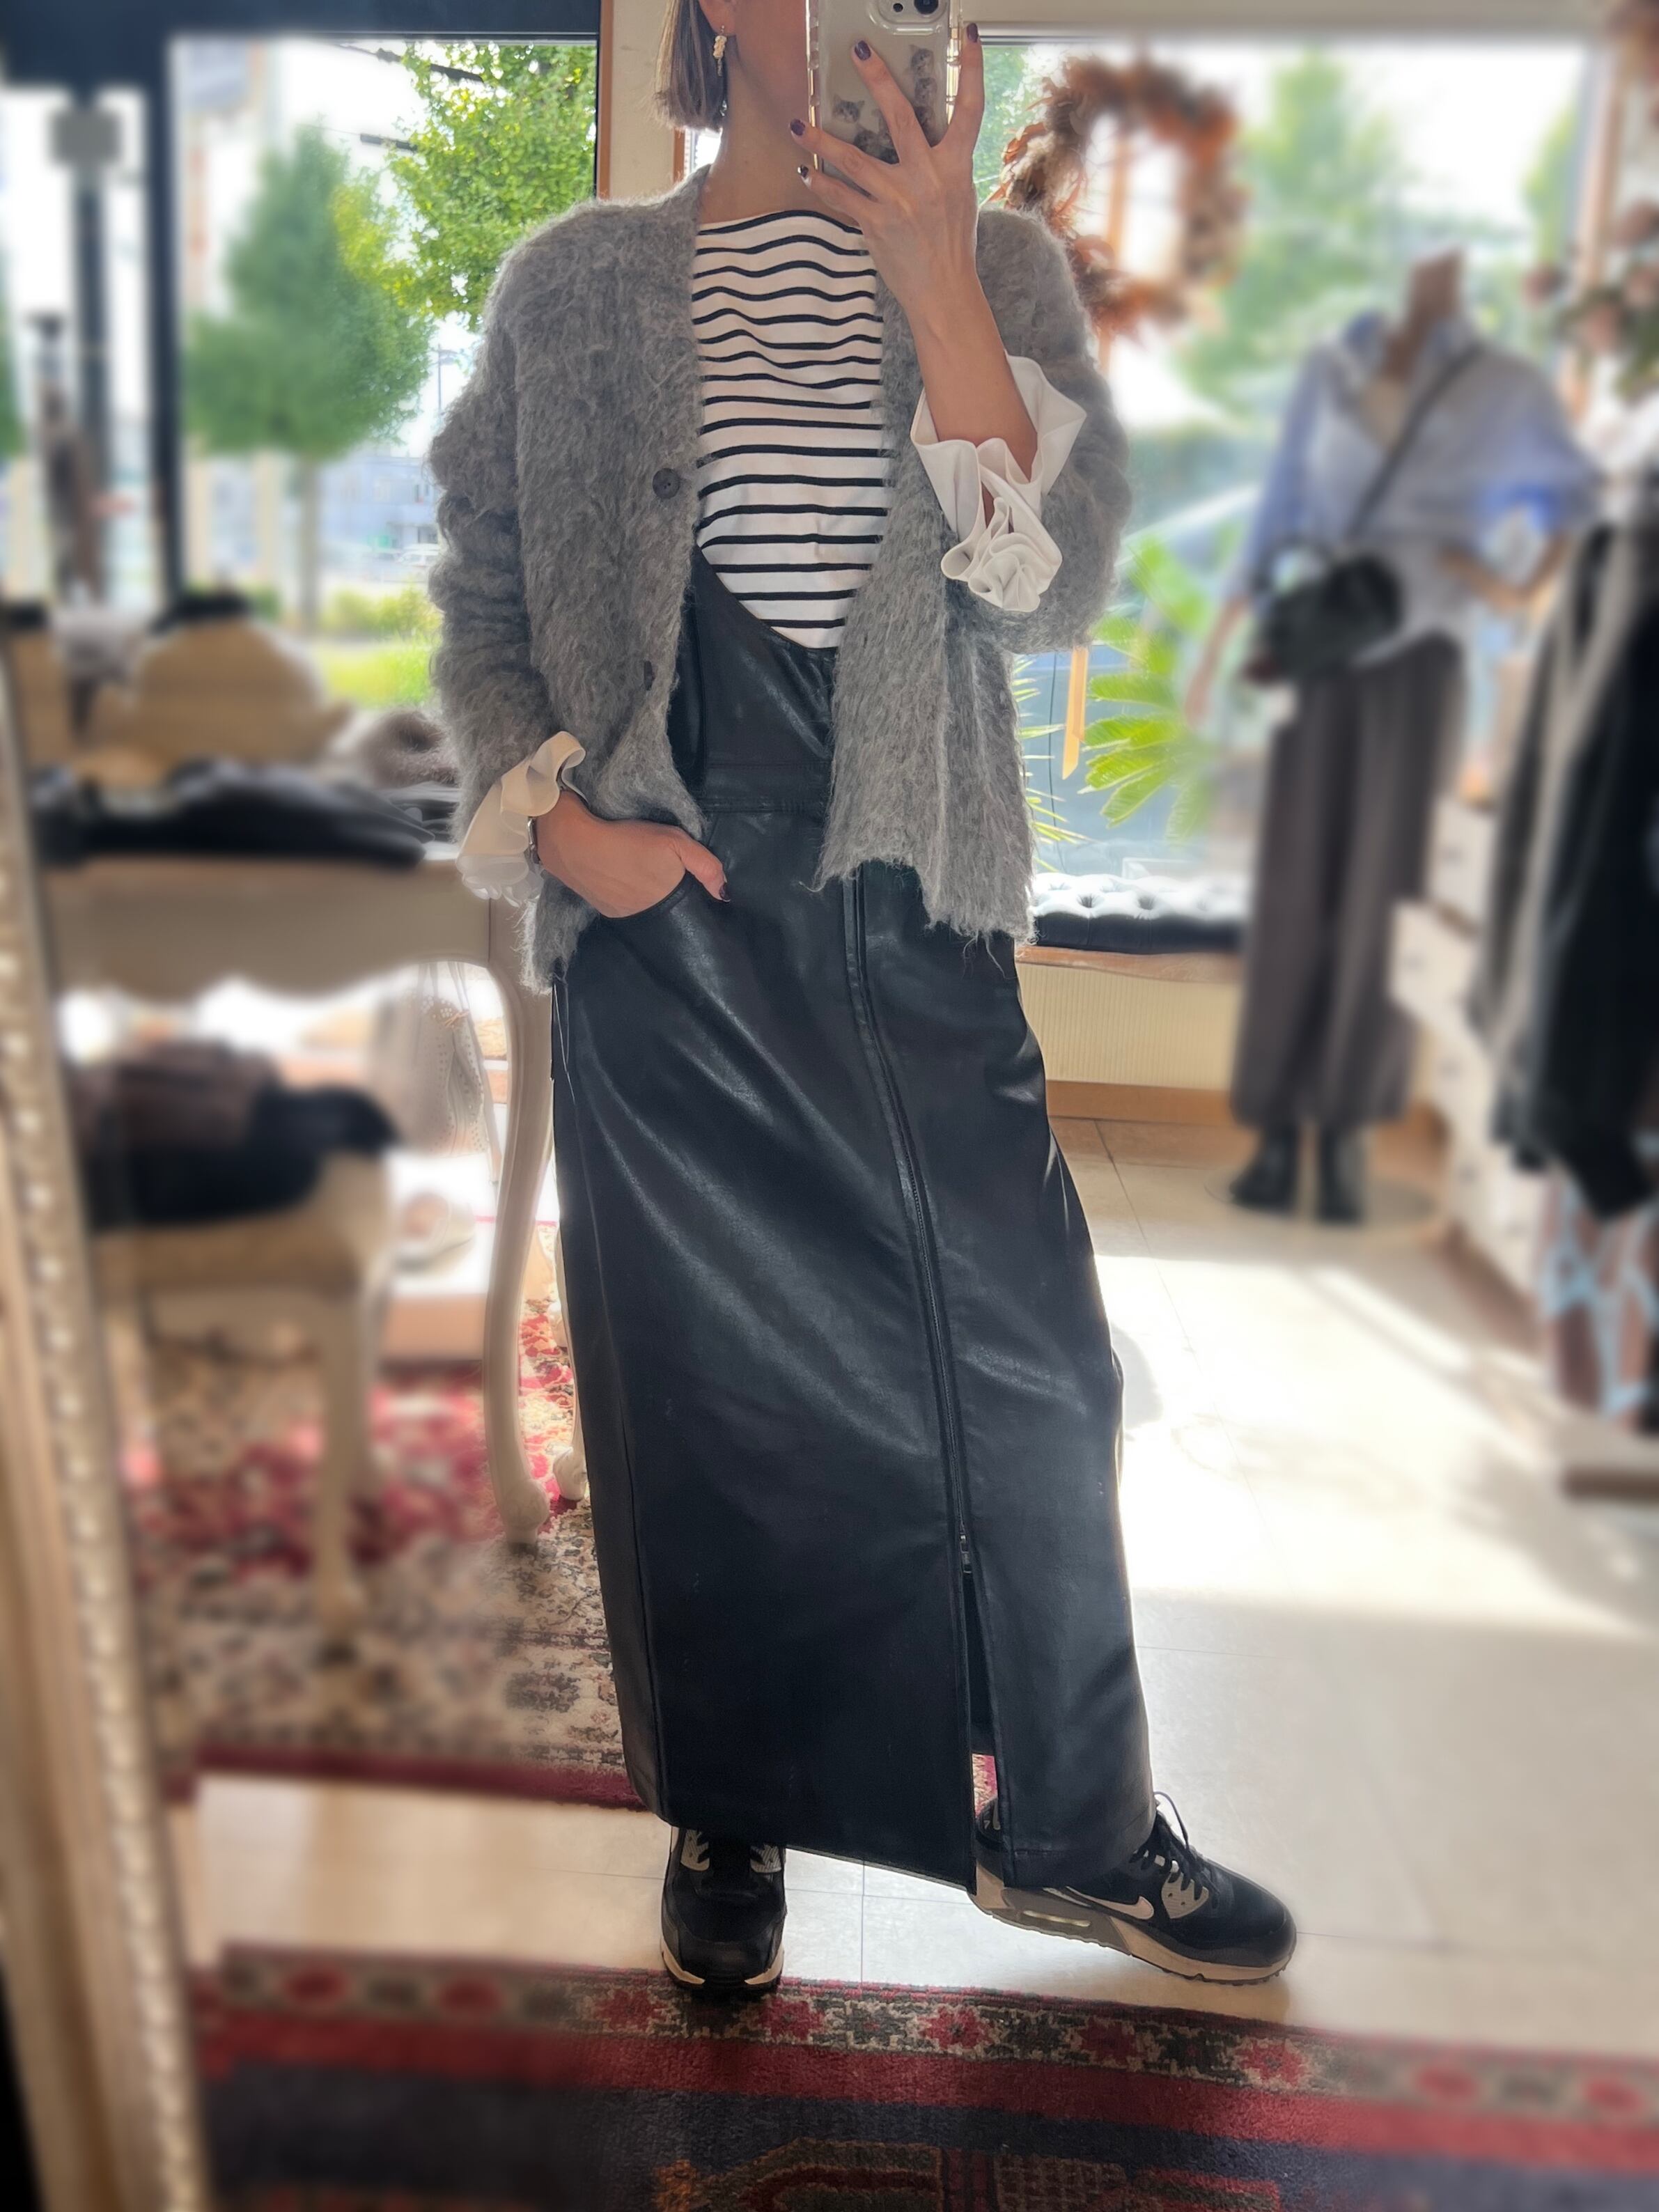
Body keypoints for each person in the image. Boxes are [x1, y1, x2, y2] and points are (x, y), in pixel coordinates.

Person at [432, 0, 1293, 2000]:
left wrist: (936, 279)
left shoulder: (996, 267)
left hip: (914, 902)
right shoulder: (573, 283)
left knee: (1039, 1373)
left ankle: (1076, 1826)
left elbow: (1053, 596)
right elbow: (478, 589)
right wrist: (560, 831)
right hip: (669, 921)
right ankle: (731, 1803)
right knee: (709, 1401)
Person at [1185, 249, 1598, 1224]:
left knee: (1386, 893)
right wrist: (1217, 646)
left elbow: (1575, 503)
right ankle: (1277, 1135)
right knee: (1294, 892)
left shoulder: (1504, 385)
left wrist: (1510, 592)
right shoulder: (1335, 366)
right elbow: (1280, 510)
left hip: (1424, 658)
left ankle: (1346, 1142)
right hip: (1322, 649)